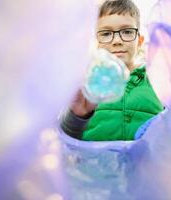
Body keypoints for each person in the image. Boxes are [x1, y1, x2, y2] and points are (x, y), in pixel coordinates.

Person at [60, 0, 163, 141]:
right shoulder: (87, 85)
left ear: (139, 41)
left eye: (127, 32)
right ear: (95, 42)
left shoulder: (157, 80)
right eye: (106, 34)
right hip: (94, 161)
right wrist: (78, 116)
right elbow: (65, 140)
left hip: (144, 162)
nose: (116, 41)